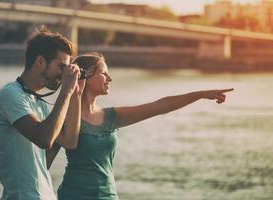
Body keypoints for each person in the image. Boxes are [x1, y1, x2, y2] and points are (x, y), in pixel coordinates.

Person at [56, 52, 234, 200]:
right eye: (103, 73)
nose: (110, 78)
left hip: (107, 196)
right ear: (85, 76)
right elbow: (42, 161)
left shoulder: (111, 116)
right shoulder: (63, 117)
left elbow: (161, 106)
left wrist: (201, 94)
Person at [0, 27, 85, 200]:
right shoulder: (10, 95)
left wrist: (75, 94)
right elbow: (45, 139)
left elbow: (70, 141)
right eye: (61, 66)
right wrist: (65, 92)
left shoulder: (38, 102)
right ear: (40, 61)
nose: (63, 74)